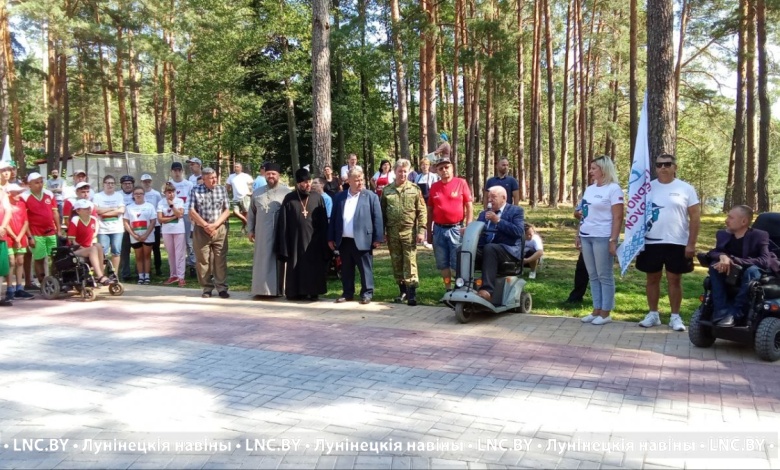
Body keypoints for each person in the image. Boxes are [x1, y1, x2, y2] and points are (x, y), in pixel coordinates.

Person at [636, 153, 701, 332]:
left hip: (677, 241)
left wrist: (691, 244)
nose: (663, 168)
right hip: (651, 241)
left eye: (667, 164)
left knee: (674, 279)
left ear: (675, 167)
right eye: (659, 165)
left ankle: (675, 316)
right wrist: (636, 242)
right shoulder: (647, 188)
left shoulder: (686, 188)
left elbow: (695, 218)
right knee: (652, 278)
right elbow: (636, 215)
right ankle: (653, 314)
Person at [702, 205, 780, 327]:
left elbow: (765, 260)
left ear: (744, 221)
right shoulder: (723, 234)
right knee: (714, 266)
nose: (726, 220)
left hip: (756, 271)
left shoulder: (759, 235)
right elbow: (713, 252)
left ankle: (735, 314)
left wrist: (735, 260)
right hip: (734, 272)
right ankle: (720, 311)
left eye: (731, 217)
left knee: (752, 271)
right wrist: (723, 256)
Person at [577, 156, 624, 326]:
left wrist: (613, 239)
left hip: (603, 236)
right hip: (586, 235)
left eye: (593, 168)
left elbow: (618, 217)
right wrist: (578, 234)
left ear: (603, 170)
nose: (590, 171)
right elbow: (584, 213)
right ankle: (596, 309)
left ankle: (606, 312)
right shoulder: (589, 189)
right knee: (593, 274)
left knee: (605, 275)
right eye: (591, 168)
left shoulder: (614, 189)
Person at [329, 167, 383, 304]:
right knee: (346, 269)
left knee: (365, 268)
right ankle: (347, 293)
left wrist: (378, 238)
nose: (360, 183)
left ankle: (367, 293)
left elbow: (377, 218)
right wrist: (331, 237)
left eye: (361, 180)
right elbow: (334, 218)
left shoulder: (371, 196)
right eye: (356, 180)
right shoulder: (340, 197)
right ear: (349, 181)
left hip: (363, 239)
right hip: (344, 240)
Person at [276, 168, 329, 301]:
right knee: (296, 266)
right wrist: (284, 246)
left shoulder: (317, 198)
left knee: (313, 266)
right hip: (295, 241)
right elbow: (283, 224)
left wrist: (324, 241)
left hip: (314, 241)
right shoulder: (289, 199)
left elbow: (323, 222)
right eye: (304, 182)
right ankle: (296, 292)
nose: (308, 185)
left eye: (309, 181)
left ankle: (313, 291)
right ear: (298, 183)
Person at [381, 159, 426, 306]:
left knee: (410, 261)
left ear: (409, 172)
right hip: (392, 232)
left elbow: (422, 211)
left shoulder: (414, 189)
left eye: (405, 171)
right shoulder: (387, 190)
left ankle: (412, 293)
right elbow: (381, 213)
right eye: (400, 171)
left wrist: (421, 230)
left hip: (409, 232)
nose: (402, 174)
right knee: (397, 261)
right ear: (395, 171)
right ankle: (402, 292)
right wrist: (381, 232)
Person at [427, 157, 473, 291]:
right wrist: (429, 231)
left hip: (456, 229)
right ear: (437, 171)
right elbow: (430, 210)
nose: (444, 170)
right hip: (439, 230)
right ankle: (448, 288)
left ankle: (460, 287)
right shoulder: (434, 187)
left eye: (447, 167)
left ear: (452, 168)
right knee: (443, 264)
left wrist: (468, 225)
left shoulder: (461, 183)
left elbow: (469, 206)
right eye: (441, 168)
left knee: (457, 262)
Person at [473, 186, 525, 303]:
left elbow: (518, 232)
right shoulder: (483, 214)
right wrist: (470, 231)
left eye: (493, 197)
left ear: (504, 198)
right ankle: (462, 285)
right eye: (488, 197)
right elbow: (480, 236)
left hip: (508, 250)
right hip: (488, 249)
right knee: (464, 250)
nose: (490, 200)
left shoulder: (516, 211)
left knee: (490, 248)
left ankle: (487, 291)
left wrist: (498, 221)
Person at [247, 163, 289, 297]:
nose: (271, 176)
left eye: (273, 174)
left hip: (280, 233)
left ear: (279, 176)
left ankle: (279, 290)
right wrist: (250, 230)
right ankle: (261, 290)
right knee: (262, 260)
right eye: (268, 173)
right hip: (262, 233)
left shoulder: (286, 192)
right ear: (265, 175)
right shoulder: (257, 193)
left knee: (279, 260)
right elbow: (251, 213)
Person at [189, 167, 231, 298]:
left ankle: (222, 287)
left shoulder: (221, 189)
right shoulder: (195, 190)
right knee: (203, 260)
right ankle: (206, 288)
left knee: (220, 260)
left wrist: (215, 225)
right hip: (201, 230)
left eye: (215, 177)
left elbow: (227, 210)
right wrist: (206, 225)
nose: (214, 180)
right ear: (204, 179)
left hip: (219, 229)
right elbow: (191, 211)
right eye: (211, 178)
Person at [22, 173, 60, 288]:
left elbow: (55, 212)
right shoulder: (24, 197)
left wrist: (58, 229)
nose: (40, 185)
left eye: (41, 182)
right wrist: (29, 236)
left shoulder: (49, 194)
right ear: (29, 184)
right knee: (39, 258)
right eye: (36, 182)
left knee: (54, 257)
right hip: (36, 233)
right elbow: (24, 219)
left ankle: (55, 281)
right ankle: (43, 283)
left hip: (51, 232)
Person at [67, 199, 111, 286]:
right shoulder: (75, 220)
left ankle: (100, 275)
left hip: (87, 248)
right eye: (85, 208)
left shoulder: (93, 219)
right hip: (74, 250)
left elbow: (91, 237)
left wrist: (89, 248)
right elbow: (72, 241)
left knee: (98, 245)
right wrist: (85, 248)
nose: (89, 210)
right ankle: (100, 276)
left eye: (89, 208)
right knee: (93, 249)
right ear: (78, 211)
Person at [4, 184, 34, 300]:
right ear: (10, 194)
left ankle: (19, 288)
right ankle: (9, 288)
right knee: (11, 261)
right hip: (9, 237)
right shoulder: (5, 206)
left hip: (21, 238)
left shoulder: (22, 204)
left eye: (19, 192)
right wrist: (14, 237)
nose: (19, 195)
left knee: (20, 261)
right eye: (16, 192)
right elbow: (5, 223)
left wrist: (21, 236)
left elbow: (26, 222)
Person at [92, 175, 126, 278]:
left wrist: (104, 212)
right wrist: (112, 208)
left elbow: (121, 210)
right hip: (103, 229)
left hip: (117, 229)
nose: (110, 185)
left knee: (116, 252)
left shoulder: (119, 196)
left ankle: (114, 275)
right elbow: (96, 210)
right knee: (102, 253)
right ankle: (101, 276)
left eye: (112, 183)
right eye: (108, 183)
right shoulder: (98, 196)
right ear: (103, 184)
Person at [124, 186, 157, 285]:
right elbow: (126, 222)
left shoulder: (149, 206)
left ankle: (147, 276)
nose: (138, 195)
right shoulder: (129, 207)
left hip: (148, 235)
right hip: (135, 236)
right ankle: (140, 276)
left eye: (140, 193)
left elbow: (153, 221)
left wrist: (146, 234)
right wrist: (133, 234)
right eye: (136, 193)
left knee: (147, 255)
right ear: (133, 195)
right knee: (138, 256)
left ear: (144, 195)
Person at [169, 162, 196, 278]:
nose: (177, 172)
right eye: (175, 170)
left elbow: (193, 199)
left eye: (179, 170)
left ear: (182, 171)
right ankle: (178, 266)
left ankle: (192, 265)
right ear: (171, 172)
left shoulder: (189, 184)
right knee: (176, 243)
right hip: (173, 215)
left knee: (189, 241)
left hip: (185, 214)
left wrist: (192, 214)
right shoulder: (169, 184)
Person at [157, 182, 187, 287]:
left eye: (173, 192)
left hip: (179, 230)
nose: (171, 194)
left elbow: (180, 214)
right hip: (166, 231)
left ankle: (181, 277)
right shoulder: (161, 203)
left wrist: (172, 205)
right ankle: (173, 275)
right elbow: (160, 219)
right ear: (164, 193)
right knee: (171, 254)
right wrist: (173, 217)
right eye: (169, 192)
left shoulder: (179, 201)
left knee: (180, 254)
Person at [141, 174, 163, 276]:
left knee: (156, 247)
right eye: (145, 181)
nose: (147, 183)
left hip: (156, 224)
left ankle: (158, 267)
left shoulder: (156, 194)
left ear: (151, 182)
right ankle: (146, 268)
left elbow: (160, 208)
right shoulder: (140, 193)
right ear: (141, 182)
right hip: (143, 225)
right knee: (145, 247)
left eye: (148, 181)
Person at [226, 162, 254, 233]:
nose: (236, 168)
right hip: (235, 198)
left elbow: (253, 184)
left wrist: (251, 192)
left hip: (245, 197)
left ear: (241, 168)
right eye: (235, 167)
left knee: (246, 213)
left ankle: (244, 229)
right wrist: (225, 193)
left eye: (237, 167)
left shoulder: (245, 176)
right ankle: (247, 222)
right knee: (235, 212)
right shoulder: (231, 176)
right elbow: (227, 187)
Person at [118, 175, 136, 281]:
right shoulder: (118, 195)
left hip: (136, 226)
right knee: (124, 252)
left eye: (129, 183)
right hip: (123, 227)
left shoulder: (137, 193)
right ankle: (125, 273)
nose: (127, 185)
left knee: (139, 251)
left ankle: (141, 272)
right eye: (125, 184)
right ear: (121, 185)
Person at [0, 188, 11, 306]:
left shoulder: (3, 193)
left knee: (1, 268)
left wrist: (2, 227)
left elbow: (8, 211)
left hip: (1, 235)